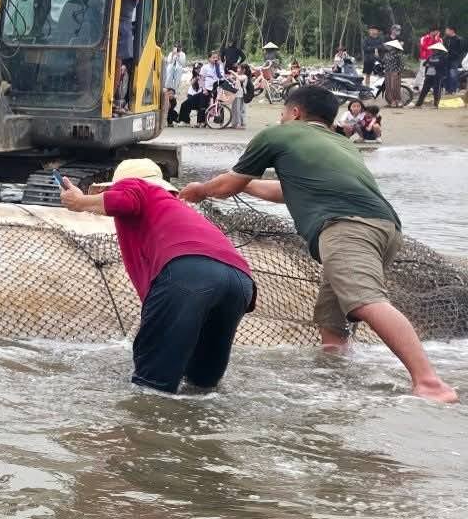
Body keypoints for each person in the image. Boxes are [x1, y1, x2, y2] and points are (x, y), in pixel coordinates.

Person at [179, 84, 455, 402]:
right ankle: (337, 371)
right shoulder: (341, 144)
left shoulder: (278, 135)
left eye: (283, 113)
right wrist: (247, 186)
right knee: (331, 318)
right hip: (386, 228)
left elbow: (228, 183)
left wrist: (201, 189)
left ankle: (429, 381)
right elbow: (289, 190)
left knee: (366, 301)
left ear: (295, 112)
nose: (281, 119)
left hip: (346, 228)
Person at [58, 160, 256, 393]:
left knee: (151, 390)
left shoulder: (139, 188)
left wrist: (81, 202)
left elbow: (125, 198)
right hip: (240, 282)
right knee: (202, 384)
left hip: (189, 274)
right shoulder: (174, 209)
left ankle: (146, 427)